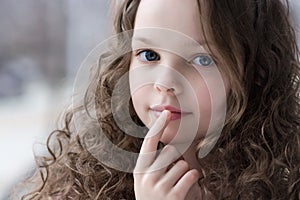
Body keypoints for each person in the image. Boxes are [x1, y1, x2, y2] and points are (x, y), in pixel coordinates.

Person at [17, 0, 300, 199]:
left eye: (201, 59)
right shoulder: (78, 184)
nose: (165, 83)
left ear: (256, 72)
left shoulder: (285, 185)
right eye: (149, 55)